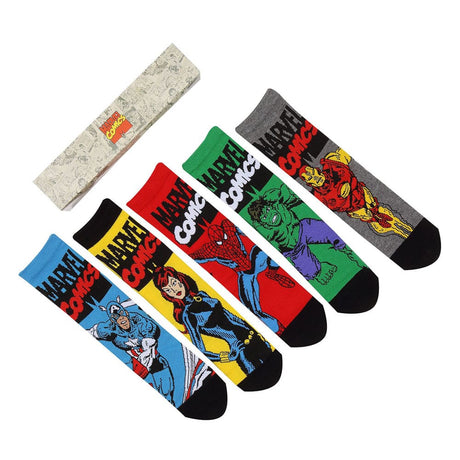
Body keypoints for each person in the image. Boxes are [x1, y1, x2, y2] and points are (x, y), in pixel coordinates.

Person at [152, 266, 272, 375]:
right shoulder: (187, 315)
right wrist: (226, 357)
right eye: (168, 290)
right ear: (166, 294)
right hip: (242, 351)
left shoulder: (202, 295)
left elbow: (231, 316)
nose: (174, 290)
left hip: (255, 338)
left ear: (180, 279)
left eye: (173, 283)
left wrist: (255, 331)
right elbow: (200, 350)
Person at [247, 183, 361, 284]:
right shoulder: (266, 231)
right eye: (265, 217)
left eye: (268, 210)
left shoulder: (278, 205)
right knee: (309, 270)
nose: (270, 215)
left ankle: (347, 249)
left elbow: (284, 193)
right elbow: (259, 234)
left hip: (302, 228)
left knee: (326, 230)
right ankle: (320, 275)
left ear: (271, 206)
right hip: (293, 249)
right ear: (263, 223)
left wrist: (268, 198)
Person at [298, 148, 413, 238]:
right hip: (357, 210)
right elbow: (333, 207)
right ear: (309, 183)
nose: (315, 177)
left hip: (365, 196)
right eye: (310, 178)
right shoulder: (317, 197)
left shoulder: (331, 165)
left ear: (316, 169)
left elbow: (343, 156)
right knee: (378, 223)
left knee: (390, 215)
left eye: (313, 173)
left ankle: (408, 228)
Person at [88, 297, 175, 404]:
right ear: (113, 320)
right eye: (116, 317)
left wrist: (147, 347)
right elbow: (93, 332)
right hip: (135, 366)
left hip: (154, 362)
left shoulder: (138, 320)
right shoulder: (109, 329)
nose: (121, 318)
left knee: (166, 390)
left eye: (121, 313)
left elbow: (150, 333)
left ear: (125, 313)